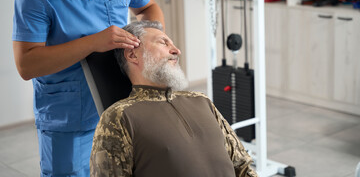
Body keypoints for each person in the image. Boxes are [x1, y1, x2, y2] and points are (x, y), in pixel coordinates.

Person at [12, 0, 164, 176]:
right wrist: (93, 42)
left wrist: (150, 43)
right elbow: (26, 64)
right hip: (69, 118)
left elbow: (147, 9)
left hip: (121, 105)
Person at [90, 20, 258, 177]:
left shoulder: (201, 101)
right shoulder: (119, 117)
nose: (176, 50)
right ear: (132, 55)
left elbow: (242, 166)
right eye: (163, 43)